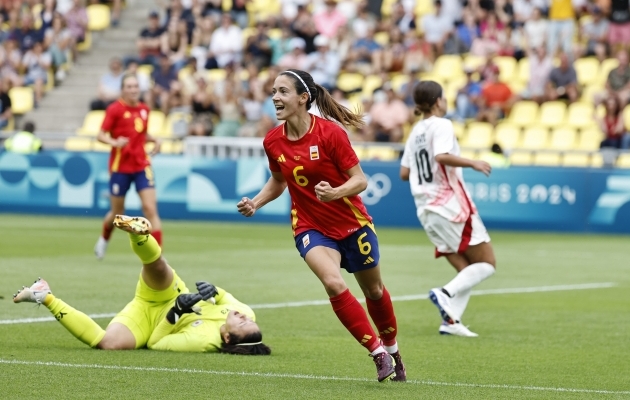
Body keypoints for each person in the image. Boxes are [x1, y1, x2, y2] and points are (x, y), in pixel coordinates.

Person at [236, 69, 405, 382]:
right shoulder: (272, 141)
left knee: (374, 290)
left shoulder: (330, 133)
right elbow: (278, 181)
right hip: (310, 227)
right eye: (274, 91)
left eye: (283, 91)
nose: (275, 97)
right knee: (333, 282)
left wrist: (335, 192)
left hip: (353, 225)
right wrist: (255, 203)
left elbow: (360, 180)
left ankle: (394, 351)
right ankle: (378, 353)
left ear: (303, 98)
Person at [14, 215, 271, 355]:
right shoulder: (246, 312)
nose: (243, 316)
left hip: (149, 320)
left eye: (243, 324)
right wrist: (213, 290)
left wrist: (176, 313)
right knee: (158, 267)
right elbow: (226, 298)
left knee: (108, 344)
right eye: (249, 320)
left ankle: (44, 295)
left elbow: (156, 344)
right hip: (171, 292)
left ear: (227, 338)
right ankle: (139, 235)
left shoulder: (202, 341)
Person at [400, 80, 496, 338]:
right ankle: (444, 294)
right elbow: (441, 156)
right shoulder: (442, 124)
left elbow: (404, 172)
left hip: (425, 209)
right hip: (450, 205)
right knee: (487, 263)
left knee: (467, 269)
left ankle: (451, 321)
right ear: (438, 101)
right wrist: (472, 162)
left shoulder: (415, 132)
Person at [94, 74, 163, 260]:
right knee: (118, 213)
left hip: (141, 164)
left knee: (150, 209)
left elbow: (141, 133)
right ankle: (104, 239)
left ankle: (158, 256)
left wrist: (155, 139)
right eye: (129, 86)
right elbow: (100, 135)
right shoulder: (114, 109)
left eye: (135, 86)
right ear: (122, 89)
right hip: (120, 167)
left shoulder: (144, 109)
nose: (133, 90)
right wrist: (115, 142)